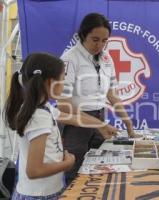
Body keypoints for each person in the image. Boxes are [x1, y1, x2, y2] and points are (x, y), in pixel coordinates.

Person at [58, 13, 135, 184]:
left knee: (98, 172)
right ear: (83, 35)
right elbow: (64, 105)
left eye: (104, 40)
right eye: (95, 39)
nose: (99, 45)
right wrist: (98, 124)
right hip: (76, 124)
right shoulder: (69, 59)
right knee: (74, 173)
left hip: (100, 118)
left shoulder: (107, 59)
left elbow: (111, 94)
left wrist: (128, 122)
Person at [4, 53, 75, 199]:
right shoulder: (39, 116)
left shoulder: (42, 108)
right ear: (50, 82)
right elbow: (34, 171)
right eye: (62, 80)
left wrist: (100, 125)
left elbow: (71, 118)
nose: (64, 84)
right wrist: (67, 164)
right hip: (40, 196)